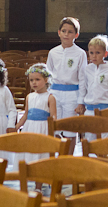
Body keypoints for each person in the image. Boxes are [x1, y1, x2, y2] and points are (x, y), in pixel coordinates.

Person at [46, 16, 88, 151]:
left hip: (72, 93)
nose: (66, 34)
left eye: (70, 32)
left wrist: (81, 101)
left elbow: (82, 78)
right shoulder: (53, 52)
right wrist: (47, 96)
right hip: (55, 93)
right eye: (64, 31)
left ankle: (68, 157)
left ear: (76, 35)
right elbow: (47, 76)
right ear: (59, 32)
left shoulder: (80, 54)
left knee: (70, 128)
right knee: (55, 126)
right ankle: (57, 157)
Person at [13, 63, 57, 174]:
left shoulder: (50, 98)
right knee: (28, 151)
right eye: (31, 80)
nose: (34, 82)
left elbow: (53, 117)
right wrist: (16, 127)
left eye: (37, 79)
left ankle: (40, 178)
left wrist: (52, 133)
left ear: (46, 79)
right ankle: (27, 176)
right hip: (29, 128)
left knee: (41, 153)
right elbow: (26, 115)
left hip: (43, 129)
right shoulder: (29, 97)